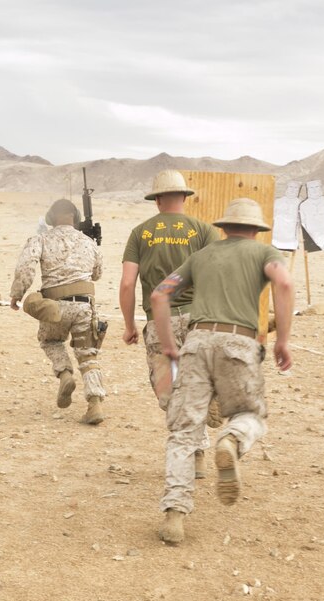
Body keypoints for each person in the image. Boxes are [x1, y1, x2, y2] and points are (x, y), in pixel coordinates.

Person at [149, 197, 294, 544]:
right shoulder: (265, 254)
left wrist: (169, 344)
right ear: (257, 230)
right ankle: (231, 440)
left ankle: (175, 514)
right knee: (250, 415)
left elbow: (159, 295)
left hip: (197, 342)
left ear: (224, 226)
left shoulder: (202, 256)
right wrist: (282, 340)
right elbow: (284, 284)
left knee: (184, 430)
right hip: (238, 343)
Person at [120, 170, 222, 471]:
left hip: (158, 322)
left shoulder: (140, 233)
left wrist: (129, 326)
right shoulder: (204, 231)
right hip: (197, 319)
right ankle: (200, 445)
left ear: (158, 200)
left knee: (170, 393)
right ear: (184, 197)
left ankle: (192, 450)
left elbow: (127, 284)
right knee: (197, 383)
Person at [10, 199, 106, 425]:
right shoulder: (88, 242)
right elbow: (97, 273)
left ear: (51, 219)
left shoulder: (40, 239)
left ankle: (64, 374)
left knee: (51, 341)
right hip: (84, 306)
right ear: (77, 218)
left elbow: (26, 267)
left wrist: (17, 293)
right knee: (88, 354)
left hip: (55, 306)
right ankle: (95, 405)